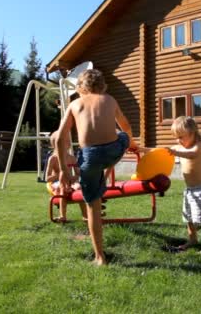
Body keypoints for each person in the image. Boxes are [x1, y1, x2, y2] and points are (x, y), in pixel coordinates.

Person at [55, 68, 138, 266]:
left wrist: (64, 171)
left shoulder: (75, 104)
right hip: (112, 151)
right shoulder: (109, 100)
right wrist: (131, 144)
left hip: (90, 156)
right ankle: (107, 172)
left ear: (80, 88)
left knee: (92, 204)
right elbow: (125, 126)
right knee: (123, 135)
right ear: (103, 86)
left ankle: (100, 257)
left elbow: (59, 138)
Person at [167, 116, 201, 253]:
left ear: (192, 133)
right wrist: (140, 149)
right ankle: (193, 239)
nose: (178, 140)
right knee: (188, 217)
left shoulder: (197, 146)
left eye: (181, 137)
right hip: (189, 190)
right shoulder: (180, 147)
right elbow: (159, 152)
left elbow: (191, 154)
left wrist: (175, 151)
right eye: (177, 138)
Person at [45, 132, 85, 222]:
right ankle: (63, 216)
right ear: (55, 145)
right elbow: (47, 178)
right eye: (63, 142)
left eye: (67, 142)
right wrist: (61, 175)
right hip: (57, 182)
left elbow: (78, 173)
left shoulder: (72, 158)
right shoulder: (53, 159)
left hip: (70, 181)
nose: (67, 144)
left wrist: (74, 177)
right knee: (62, 187)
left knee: (80, 188)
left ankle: (85, 215)